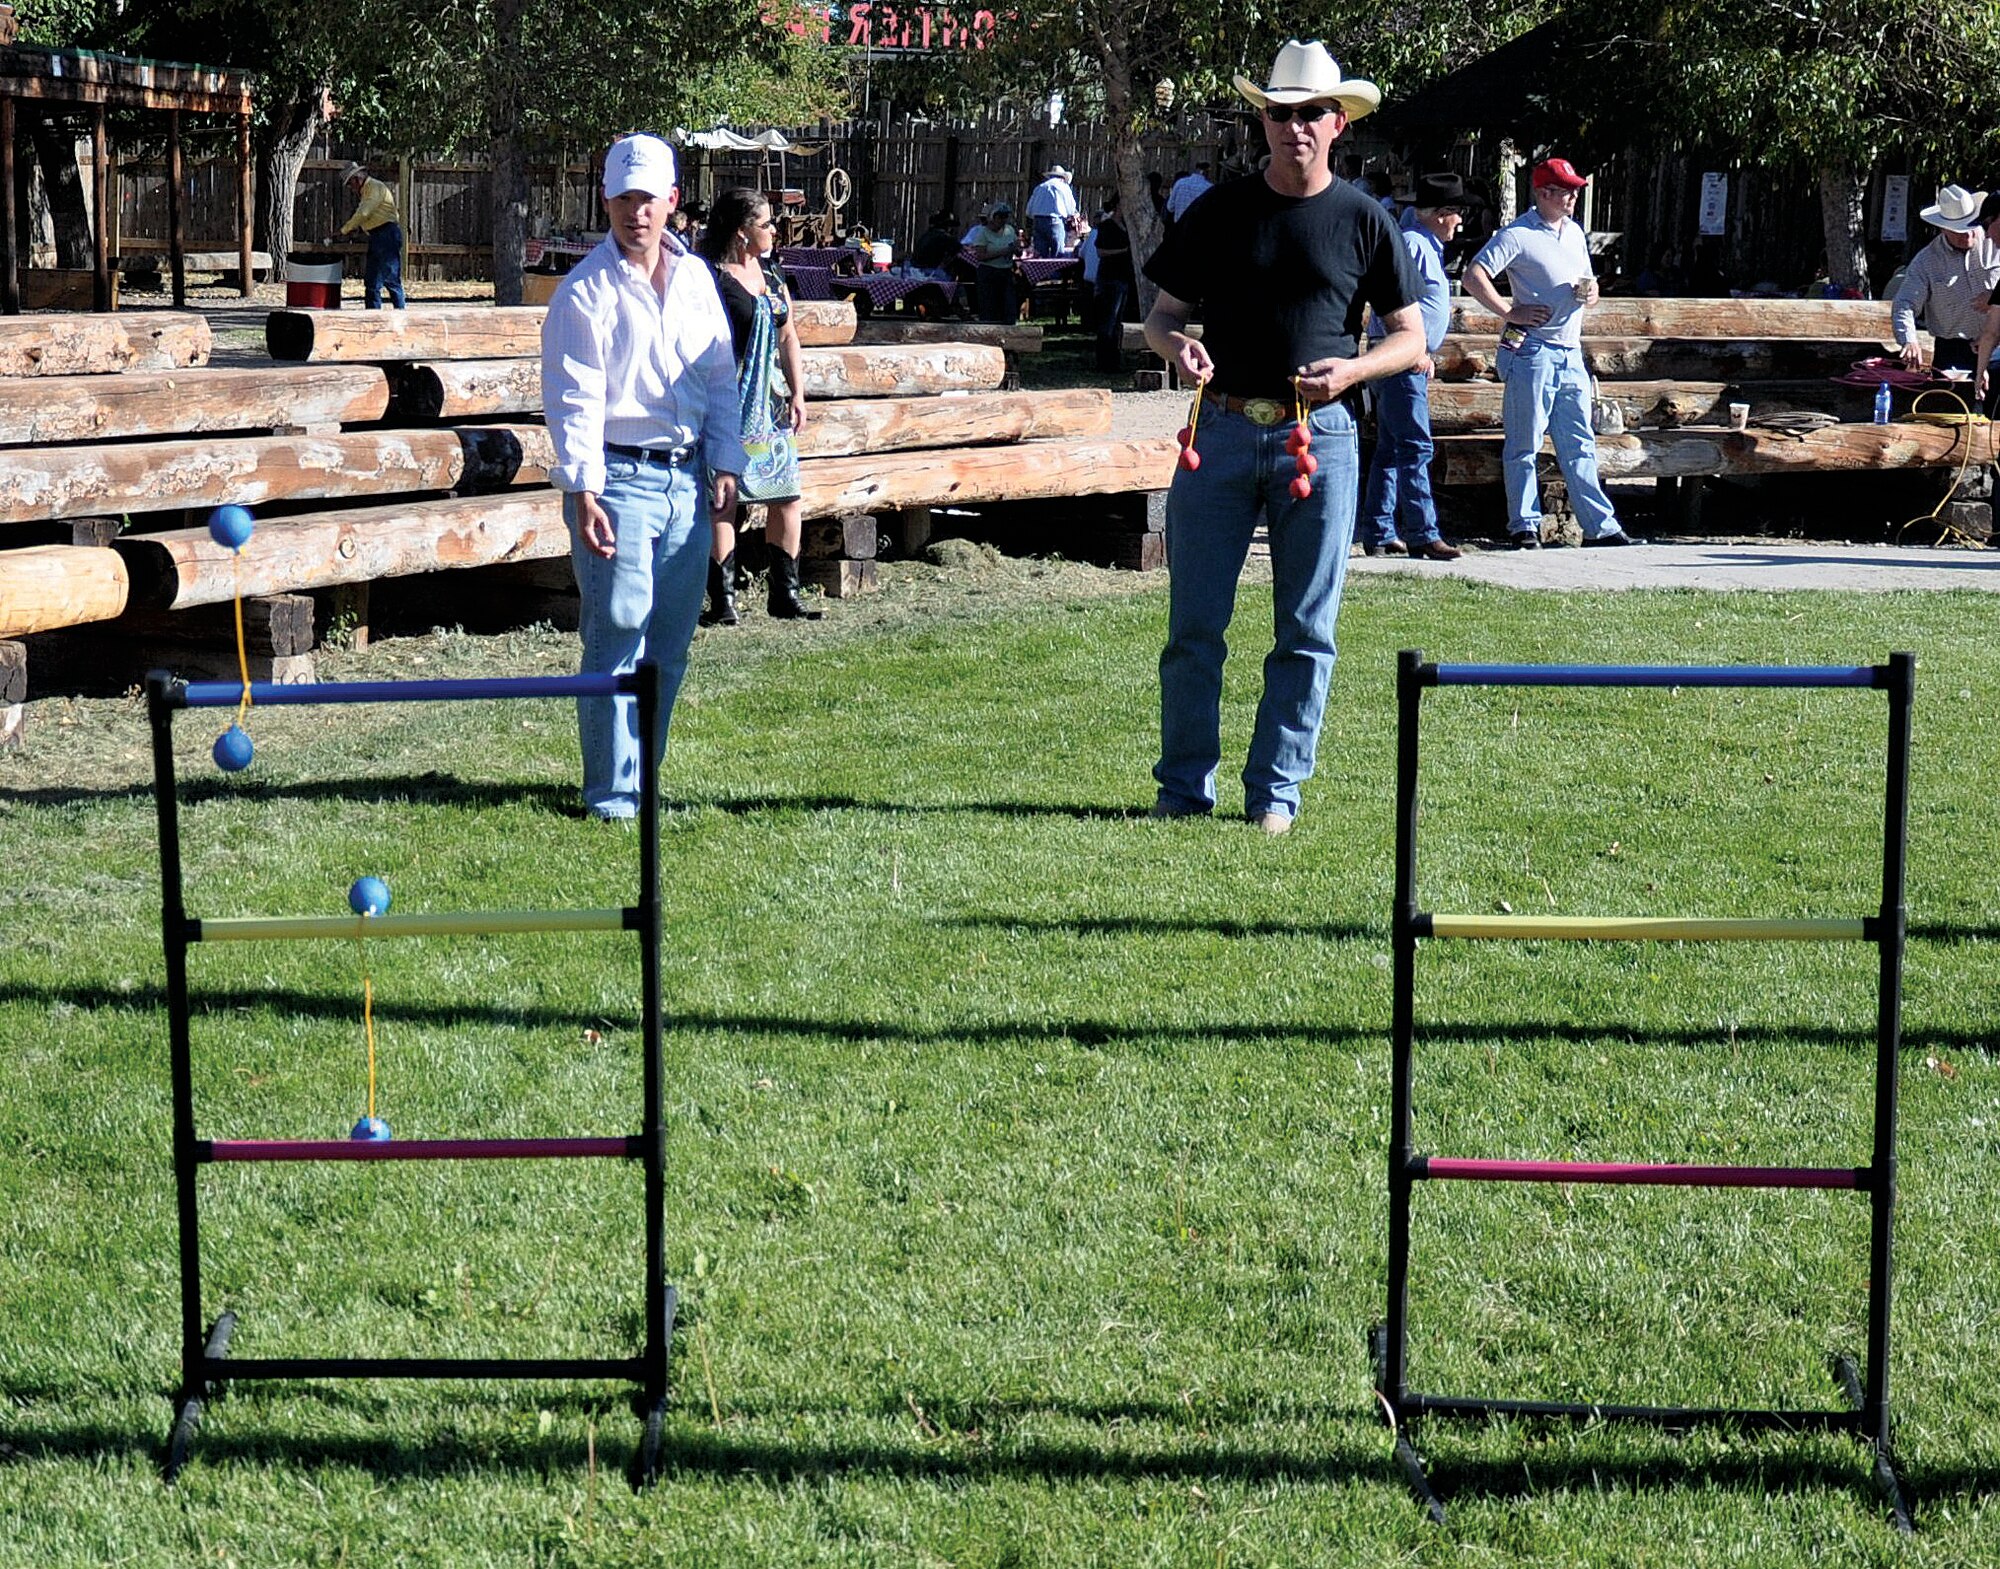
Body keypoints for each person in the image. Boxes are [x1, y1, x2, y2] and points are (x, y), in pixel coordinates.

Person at [1143, 39, 1426, 835]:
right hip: (1221, 431)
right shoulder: (1219, 211)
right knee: (1194, 625)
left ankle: (1276, 793)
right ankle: (1182, 789)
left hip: (1321, 436)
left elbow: (1411, 340)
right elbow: (1160, 319)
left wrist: (1352, 373)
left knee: (1307, 628)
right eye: (1279, 113)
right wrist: (1178, 347)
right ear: (1262, 121)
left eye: (1310, 114)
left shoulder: (1365, 219)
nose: (1293, 127)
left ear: (1339, 123)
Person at [541, 133, 746, 822]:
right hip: (619, 477)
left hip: (687, 479)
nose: (638, 213)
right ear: (607, 202)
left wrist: (727, 465)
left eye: (649, 199)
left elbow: (721, 379)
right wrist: (583, 488)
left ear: (673, 202)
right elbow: (573, 396)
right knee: (618, 626)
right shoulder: (585, 291)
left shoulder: (695, 280)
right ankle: (610, 794)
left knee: (671, 641)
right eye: (625, 199)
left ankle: (641, 782)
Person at [1462, 156, 1635, 548]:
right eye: (1564, 190)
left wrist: (1592, 292)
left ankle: (1600, 526)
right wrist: (1510, 310)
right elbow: (1475, 275)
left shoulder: (1574, 233)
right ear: (1543, 192)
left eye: (1574, 190)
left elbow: (1588, 281)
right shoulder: (1518, 234)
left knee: (1579, 442)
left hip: (1570, 350)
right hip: (1532, 349)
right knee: (1525, 440)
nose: (1573, 196)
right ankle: (1523, 524)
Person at [695, 188, 820, 624]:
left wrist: (798, 393)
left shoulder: (774, 275)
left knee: (786, 496)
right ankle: (722, 601)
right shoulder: (710, 277)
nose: (774, 230)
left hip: (770, 405)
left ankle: (784, 595)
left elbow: (789, 336)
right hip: (726, 402)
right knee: (723, 500)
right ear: (741, 231)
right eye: (766, 223)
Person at [1357, 172, 1467, 562]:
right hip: (1399, 360)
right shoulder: (1414, 245)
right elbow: (1387, 300)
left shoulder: (1426, 246)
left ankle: (1380, 530)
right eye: (1456, 213)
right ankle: (1422, 532)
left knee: (1391, 447)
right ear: (1441, 213)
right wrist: (1409, 347)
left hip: (1407, 358)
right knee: (1416, 445)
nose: (1460, 222)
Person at [1892, 184, 1999, 376]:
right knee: (1951, 404)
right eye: (1958, 230)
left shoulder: (1996, 242)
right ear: (1943, 228)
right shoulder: (1927, 261)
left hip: (1997, 343)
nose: (1966, 234)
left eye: (1970, 227)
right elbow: (1905, 303)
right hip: (1953, 350)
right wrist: (1909, 339)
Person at [336, 161, 405, 310]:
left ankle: (400, 315)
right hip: (379, 236)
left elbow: (364, 212)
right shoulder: (369, 190)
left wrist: (344, 230)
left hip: (386, 236)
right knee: (373, 281)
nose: (351, 188)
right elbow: (370, 216)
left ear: (357, 179)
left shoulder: (374, 187)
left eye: (350, 184)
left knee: (390, 280)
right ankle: (373, 317)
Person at [1090, 193, 1135, 372]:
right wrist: (1123, 251)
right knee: (1107, 321)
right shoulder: (1107, 226)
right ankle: (1103, 361)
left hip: (1124, 277)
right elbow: (1101, 252)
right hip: (1110, 278)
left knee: (1118, 323)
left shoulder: (1128, 227)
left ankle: (1114, 360)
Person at [969, 201, 1021, 323]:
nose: (1003, 220)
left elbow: (1015, 248)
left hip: (1006, 271)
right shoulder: (983, 233)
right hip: (989, 272)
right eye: (1000, 217)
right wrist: (1002, 252)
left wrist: (1016, 249)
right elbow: (980, 256)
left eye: (1005, 217)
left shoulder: (1009, 230)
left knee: (1008, 305)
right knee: (989, 306)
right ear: (993, 217)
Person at [1025, 164, 1078, 257]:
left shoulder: (1040, 187)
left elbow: (1029, 211)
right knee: (1058, 254)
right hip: (1055, 221)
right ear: (1062, 177)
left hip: (1038, 221)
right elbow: (1071, 209)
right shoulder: (1063, 187)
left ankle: (1041, 271)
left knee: (1040, 255)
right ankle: (1056, 271)